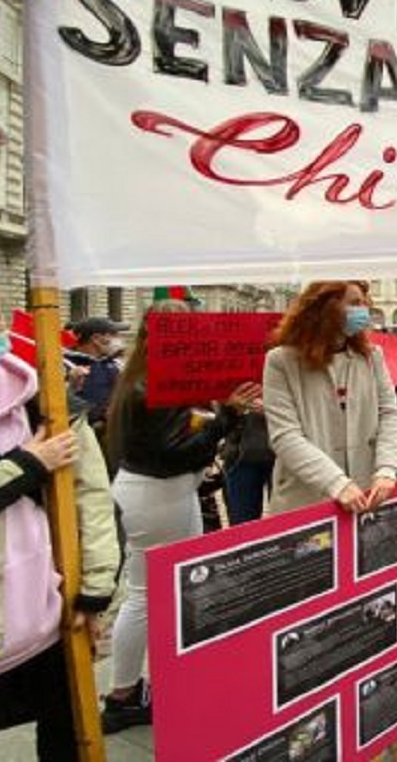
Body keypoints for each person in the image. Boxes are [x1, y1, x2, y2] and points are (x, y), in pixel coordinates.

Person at [0, 276, 119, 760]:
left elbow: (91, 498)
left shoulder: (48, 403)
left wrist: (95, 590)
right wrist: (29, 464)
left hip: (51, 626)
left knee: (67, 744)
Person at [102, 298, 260, 733]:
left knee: (171, 591)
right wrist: (226, 416)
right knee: (144, 595)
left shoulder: (158, 379)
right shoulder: (149, 386)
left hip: (170, 494)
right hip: (156, 495)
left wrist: (223, 415)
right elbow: (176, 450)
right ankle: (122, 695)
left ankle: (157, 681)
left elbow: (187, 438)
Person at [264, 281, 397, 514]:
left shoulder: (372, 357)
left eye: (365, 303)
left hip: (365, 494)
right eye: (355, 303)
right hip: (306, 498)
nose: (364, 310)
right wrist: (336, 482)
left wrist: (387, 469)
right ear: (326, 307)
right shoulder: (281, 361)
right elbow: (285, 435)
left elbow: (389, 414)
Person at [65, 316, 129, 449]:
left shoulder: (115, 365)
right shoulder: (65, 365)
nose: (119, 340)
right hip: (80, 440)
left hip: (113, 436)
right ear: (96, 339)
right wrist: (71, 385)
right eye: (114, 335)